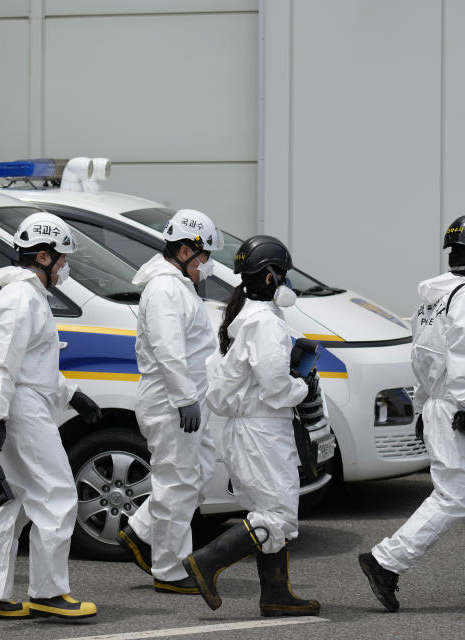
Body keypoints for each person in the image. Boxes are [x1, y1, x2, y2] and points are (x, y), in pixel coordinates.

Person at [359, 215, 465, 612]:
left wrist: (422, 406)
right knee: (454, 496)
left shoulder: (433, 300)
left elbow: (423, 356)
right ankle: (386, 561)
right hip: (463, 410)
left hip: (442, 404)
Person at [0, 212, 102, 620]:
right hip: (20, 410)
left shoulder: (28, 297)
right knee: (57, 495)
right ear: (43, 256)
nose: (64, 267)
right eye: (61, 259)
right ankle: (47, 593)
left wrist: (71, 393)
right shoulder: (21, 298)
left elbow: (31, 364)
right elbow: (0, 366)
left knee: (6, 503)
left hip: (20, 405)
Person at [182, 235, 320, 617]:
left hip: (247, 430)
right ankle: (206, 562)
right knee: (279, 517)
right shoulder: (265, 323)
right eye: (285, 274)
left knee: (268, 509)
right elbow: (276, 387)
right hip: (262, 432)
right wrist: (302, 385)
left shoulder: (246, 317)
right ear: (271, 277)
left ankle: (276, 595)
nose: (288, 282)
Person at [117, 209, 222, 594]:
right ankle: (170, 568)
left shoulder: (177, 286)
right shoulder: (164, 289)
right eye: (204, 257)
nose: (207, 266)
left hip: (188, 399)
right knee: (176, 482)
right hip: (172, 402)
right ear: (185, 250)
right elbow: (168, 349)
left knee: (198, 474)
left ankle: (142, 530)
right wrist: (184, 399)